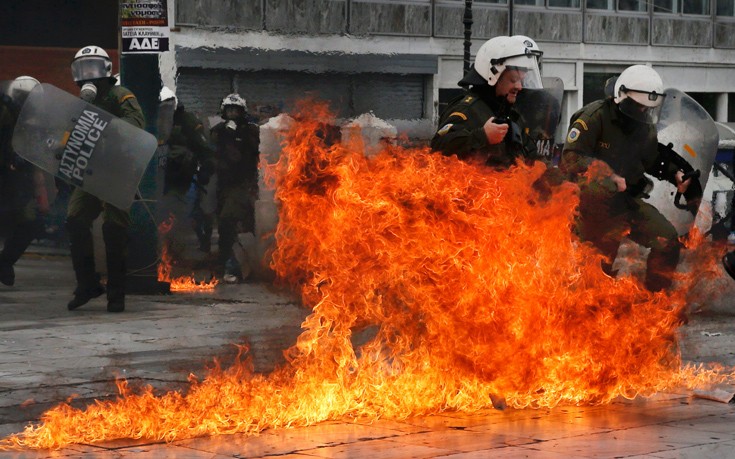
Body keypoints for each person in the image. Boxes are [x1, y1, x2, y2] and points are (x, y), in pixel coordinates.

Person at [560, 65, 691, 292]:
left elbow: (651, 159)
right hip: (591, 205)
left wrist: (675, 173)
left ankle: (655, 301)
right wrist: (608, 175)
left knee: (667, 240)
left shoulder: (644, 126)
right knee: (597, 274)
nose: (641, 111)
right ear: (622, 96)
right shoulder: (594, 117)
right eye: (637, 106)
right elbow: (571, 158)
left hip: (625, 202)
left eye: (646, 108)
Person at [65, 45, 145, 312]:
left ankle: (117, 294)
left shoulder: (120, 94)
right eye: (82, 69)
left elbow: (137, 123)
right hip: (89, 169)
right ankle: (87, 284)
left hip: (117, 170)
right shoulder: (80, 103)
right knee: (75, 220)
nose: (87, 75)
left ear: (106, 70)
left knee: (114, 229)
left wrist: (104, 124)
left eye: (93, 67)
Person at [430, 35, 542, 169]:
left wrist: (551, 177)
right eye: (513, 79)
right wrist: (482, 136)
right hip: (471, 189)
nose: (519, 86)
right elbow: (438, 147)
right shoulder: (468, 109)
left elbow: (530, 156)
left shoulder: (510, 116)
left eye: (521, 80)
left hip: (507, 189)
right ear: (493, 76)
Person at [0, 76, 49, 286]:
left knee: (30, 222)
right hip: (7, 175)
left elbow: (36, 153)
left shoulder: (32, 122)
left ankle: (4, 261)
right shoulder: (3, 112)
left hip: (15, 180)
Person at [158, 86, 215, 258]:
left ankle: (176, 254)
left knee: (181, 215)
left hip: (182, 179)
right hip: (158, 178)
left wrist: (205, 168)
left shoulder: (187, 121)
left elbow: (205, 150)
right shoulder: (151, 119)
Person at [210, 93, 260, 283]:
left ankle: (235, 267)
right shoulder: (219, 131)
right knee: (223, 227)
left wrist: (235, 136)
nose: (232, 114)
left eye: (235, 110)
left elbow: (247, 155)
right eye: (229, 110)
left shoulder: (250, 131)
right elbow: (213, 150)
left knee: (231, 221)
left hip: (241, 185)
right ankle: (224, 265)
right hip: (221, 184)